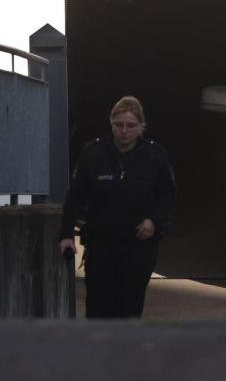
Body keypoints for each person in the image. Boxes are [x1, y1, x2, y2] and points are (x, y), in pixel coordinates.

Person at [58, 96, 176, 319]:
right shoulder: (93, 153)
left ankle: (125, 350)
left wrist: (153, 219)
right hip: (101, 243)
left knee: (129, 308)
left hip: (138, 245)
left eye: (130, 126)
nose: (124, 131)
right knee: (98, 307)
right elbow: (75, 196)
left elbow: (167, 196)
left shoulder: (155, 155)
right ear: (110, 124)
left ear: (142, 127)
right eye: (118, 125)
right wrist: (66, 234)